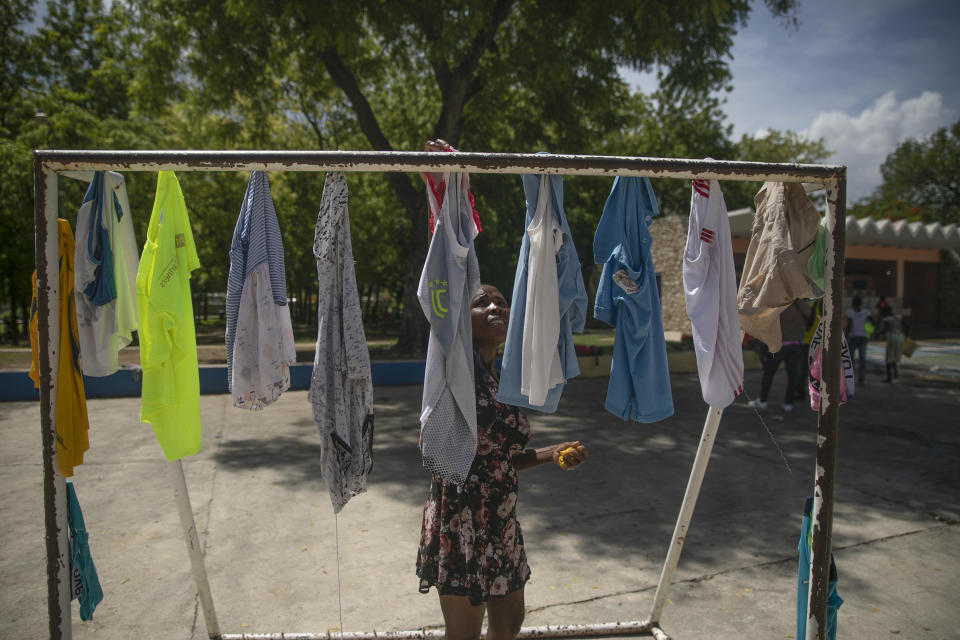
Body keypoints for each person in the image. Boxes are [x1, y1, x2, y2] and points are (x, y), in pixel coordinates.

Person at [416, 284, 588, 640]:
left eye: (502, 302)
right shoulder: (454, 373)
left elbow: (500, 459)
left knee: (510, 624)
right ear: (463, 317)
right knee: (464, 634)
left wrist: (551, 453)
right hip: (462, 522)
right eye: (483, 303)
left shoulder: (503, 379)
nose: (496, 307)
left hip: (502, 522)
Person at [747, 299, 812, 412]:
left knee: (769, 373)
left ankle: (762, 401)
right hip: (797, 344)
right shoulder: (805, 307)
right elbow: (809, 325)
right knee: (793, 376)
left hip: (779, 346)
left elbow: (768, 324)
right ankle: (788, 403)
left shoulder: (780, 306)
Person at [845, 295, 872, 385]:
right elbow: (872, 321)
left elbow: (849, 325)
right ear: (861, 303)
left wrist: (845, 336)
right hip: (863, 337)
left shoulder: (850, 312)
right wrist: (869, 330)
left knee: (851, 359)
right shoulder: (866, 312)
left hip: (853, 337)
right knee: (862, 359)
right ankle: (861, 378)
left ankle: (850, 378)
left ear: (853, 303)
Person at [876, 306, 907, 383]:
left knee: (889, 358)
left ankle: (889, 377)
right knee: (895, 357)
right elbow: (906, 327)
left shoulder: (887, 319)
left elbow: (885, 330)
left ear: (886, 313)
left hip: (892, 337)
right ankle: (896, 373)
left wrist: (878, 333)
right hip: (901, 337)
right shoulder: (898, 317)